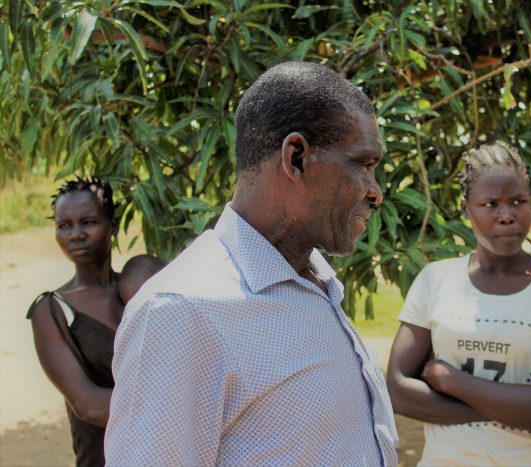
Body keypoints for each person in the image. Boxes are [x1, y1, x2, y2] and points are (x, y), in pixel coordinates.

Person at [104, 61, 398, 466]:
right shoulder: (181, 311)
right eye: (363, 165)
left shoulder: (316, 282)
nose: (376, 192)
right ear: (295, 157)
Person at [386, 143, 531, 466]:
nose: (507, 215)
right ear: (465, 208)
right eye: (490, 204)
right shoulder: (435, 280)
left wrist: (453, 382)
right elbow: (397, 390)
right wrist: (522, 413)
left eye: (518, 202)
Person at [26, 177, 160, 467]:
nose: (75, 234)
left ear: (112, 226)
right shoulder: (51, 310)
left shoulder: (140, 283)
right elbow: (87, 405)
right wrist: (178, 402)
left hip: (167, 455)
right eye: (64, 226)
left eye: (88, 222)